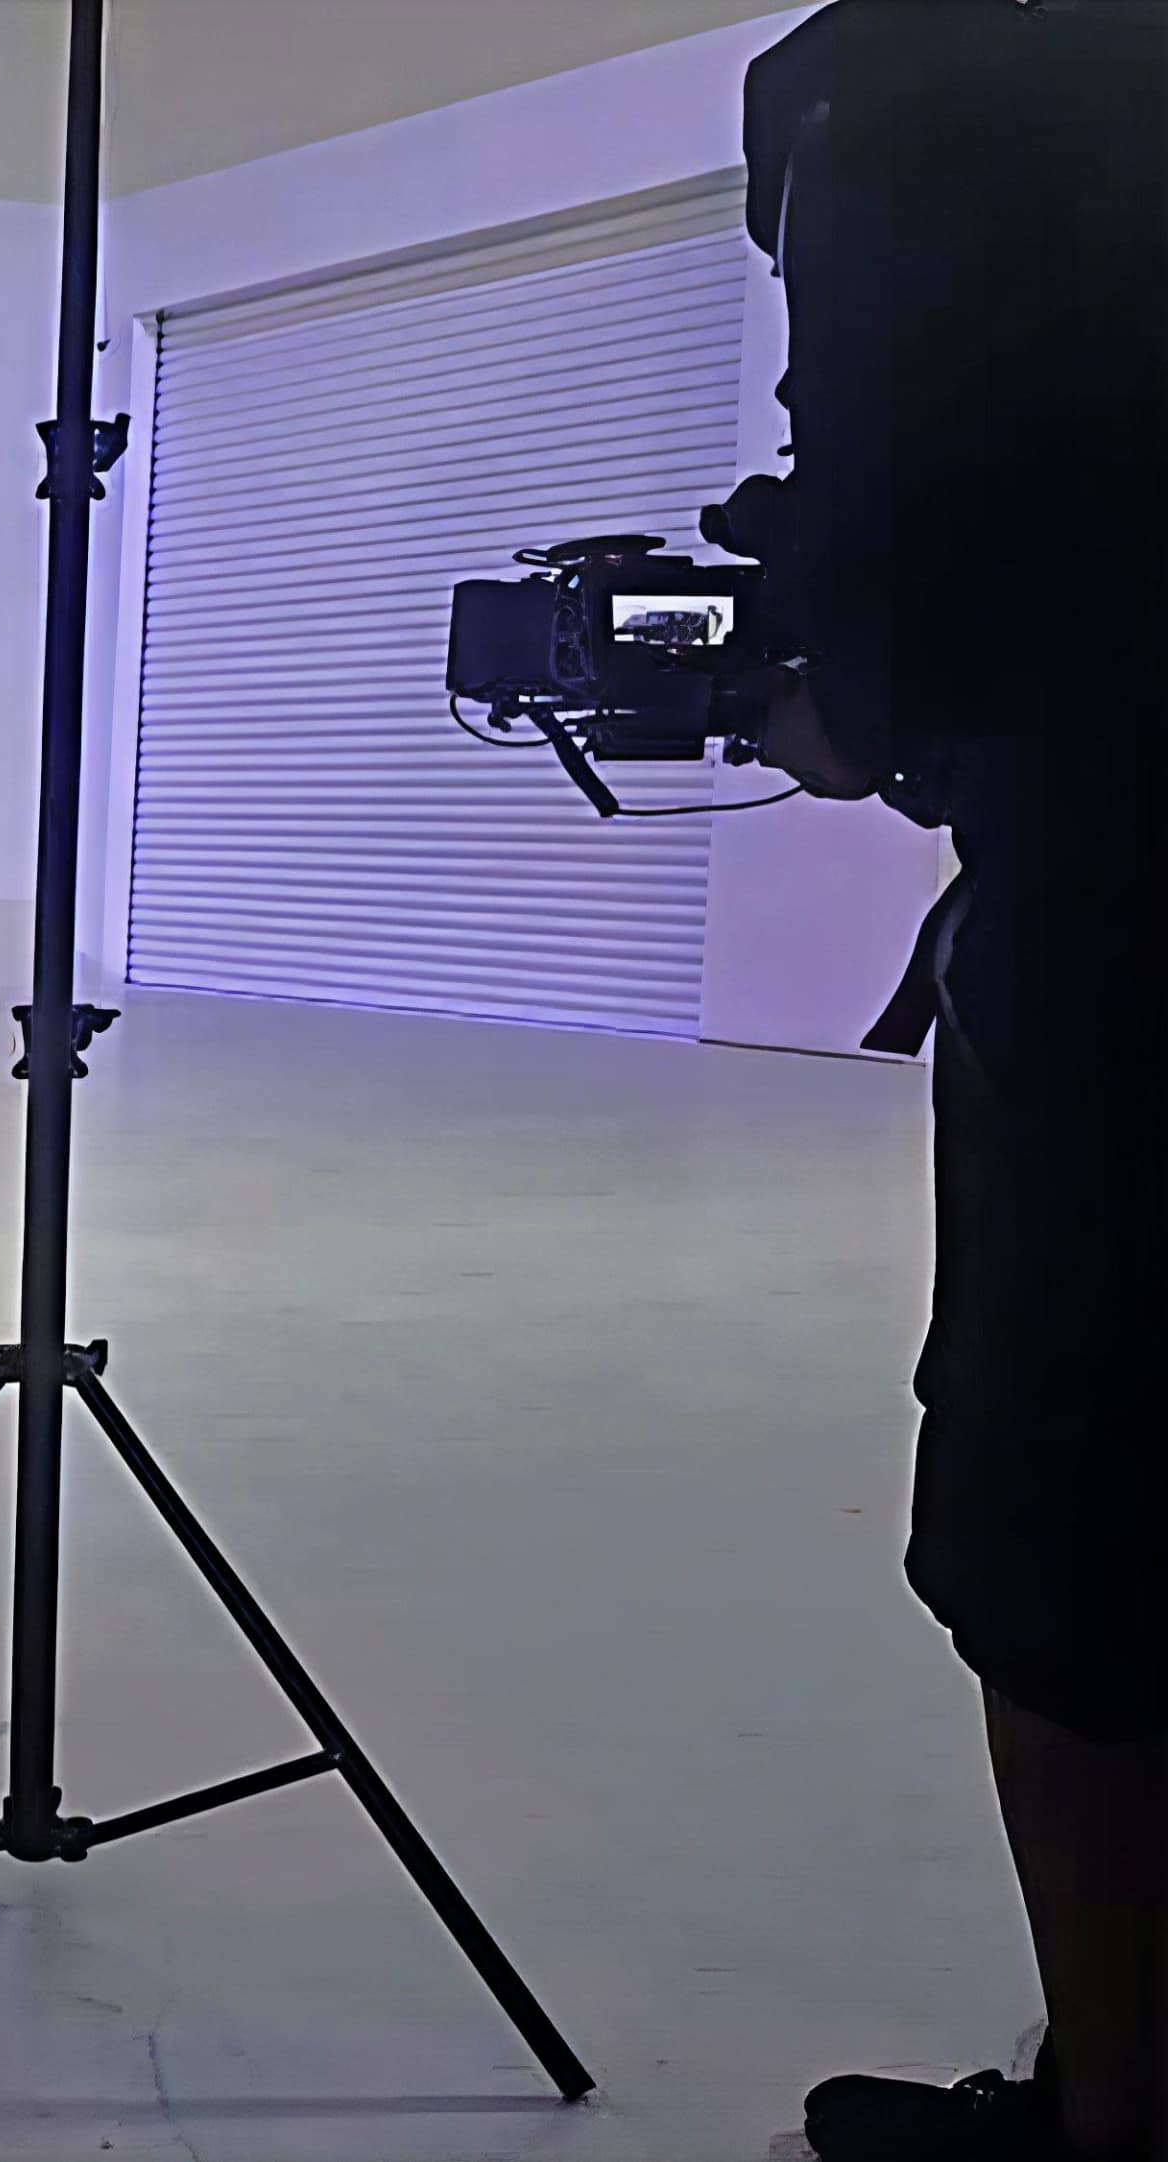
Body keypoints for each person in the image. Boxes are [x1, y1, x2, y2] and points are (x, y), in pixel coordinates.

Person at [732, 4, 1168, 2157]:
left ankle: (1117, 2119)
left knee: (1067, 1534)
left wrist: (840, 686)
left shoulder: (907, 77)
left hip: (1130, 918)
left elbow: (924, 496)